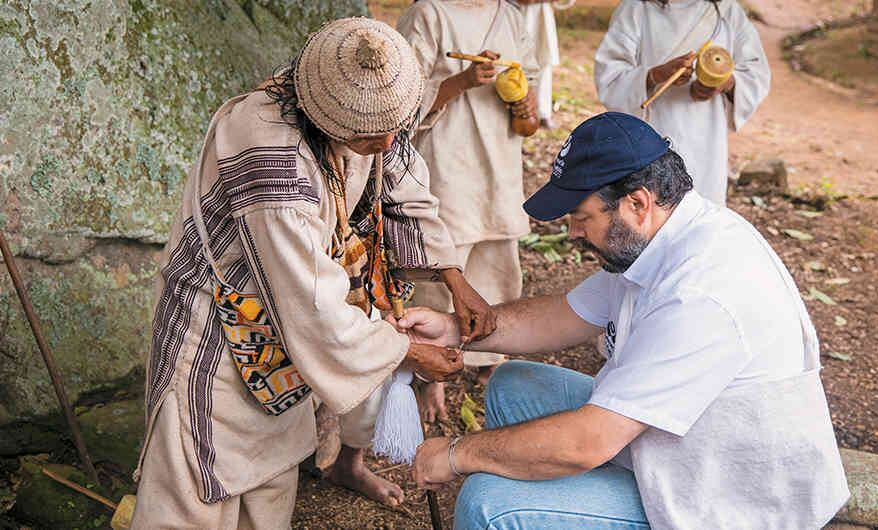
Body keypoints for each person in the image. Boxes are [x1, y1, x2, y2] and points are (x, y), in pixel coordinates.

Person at [398, 112, 850, 529]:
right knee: (513, 385)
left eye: (581, 217)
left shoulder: (701, 294)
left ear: (637, 202)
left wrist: (458, 455)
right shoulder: (663, 238)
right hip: (682, 444)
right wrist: (456, 330)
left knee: (488, 504)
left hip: (727, 497)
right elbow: (564, 315)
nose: (573, 232)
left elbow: (587, 442)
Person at [132, 18, 486, 528]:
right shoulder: (270, 154)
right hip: (212, 330)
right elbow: (311, 299)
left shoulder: (362, 98)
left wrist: (453, 275)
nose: (388, 144)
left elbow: (401, 176)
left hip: (281, 340)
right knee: (196, 487)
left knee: (271, 480)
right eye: (371, 137)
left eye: (395, 127)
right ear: (330, 123)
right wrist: (406, 352)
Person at [396, 0, 539, 418]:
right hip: (447, 160)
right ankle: (427, 372)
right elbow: (399, 99)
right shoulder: (429, 14)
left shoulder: (510, 17)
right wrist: (459, 82)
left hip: (498, 161)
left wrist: (524, 104)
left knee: (497, 265)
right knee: (440, 267)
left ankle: (489, 356)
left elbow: (527, 113)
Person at [595, 0, 770, 205]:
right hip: (650, 136)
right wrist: (654, 75)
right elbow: (609, 74)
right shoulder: (636, 9)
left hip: (706, 140)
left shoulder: (726, 11)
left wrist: (725, 83)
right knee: (650, 210)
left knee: (701, 213)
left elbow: (756, 71)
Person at [517, 0, 561, 128]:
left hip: (543, 15)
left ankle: (543, 112)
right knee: (518, 62)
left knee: (544, 61)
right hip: (518, 13)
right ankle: (521, 111)